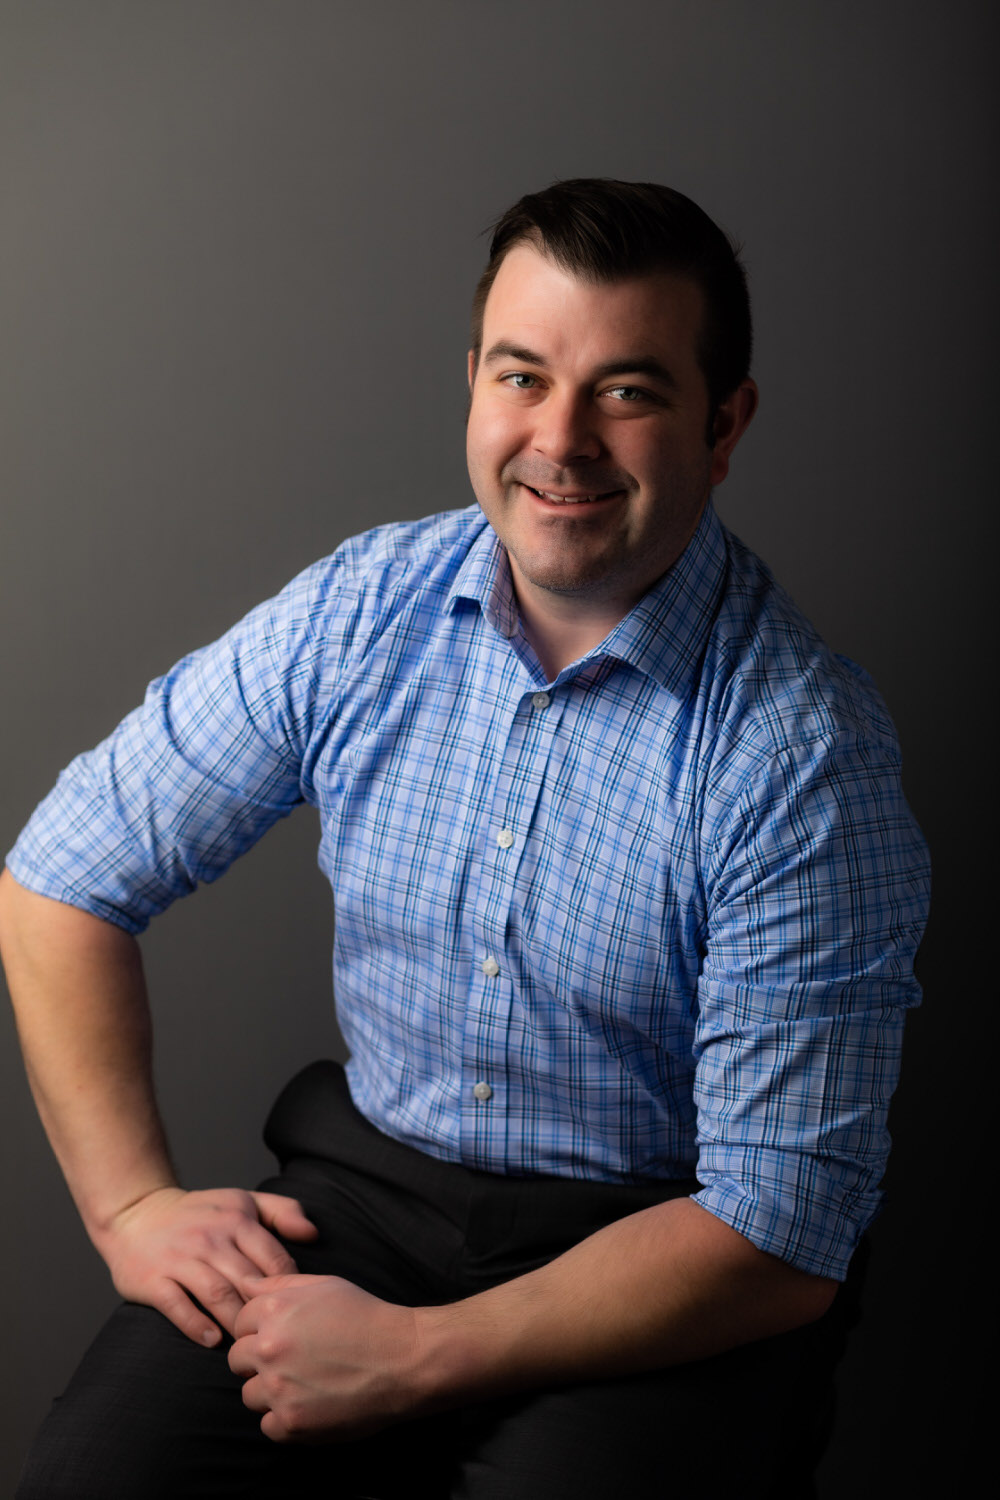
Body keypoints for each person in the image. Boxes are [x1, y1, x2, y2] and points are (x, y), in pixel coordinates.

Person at [0, 179, 930, 1499]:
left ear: (725, 426)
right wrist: (131, 1210)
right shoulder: (363, 610)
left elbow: (777, 1234)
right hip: (368, 1203)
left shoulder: (799, 752)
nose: (560, 440)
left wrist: (418, 1357)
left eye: (628, 391)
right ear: (475, 385)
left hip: (659, 1260)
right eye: (522, 376)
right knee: (92, 1478)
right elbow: (61, 879)